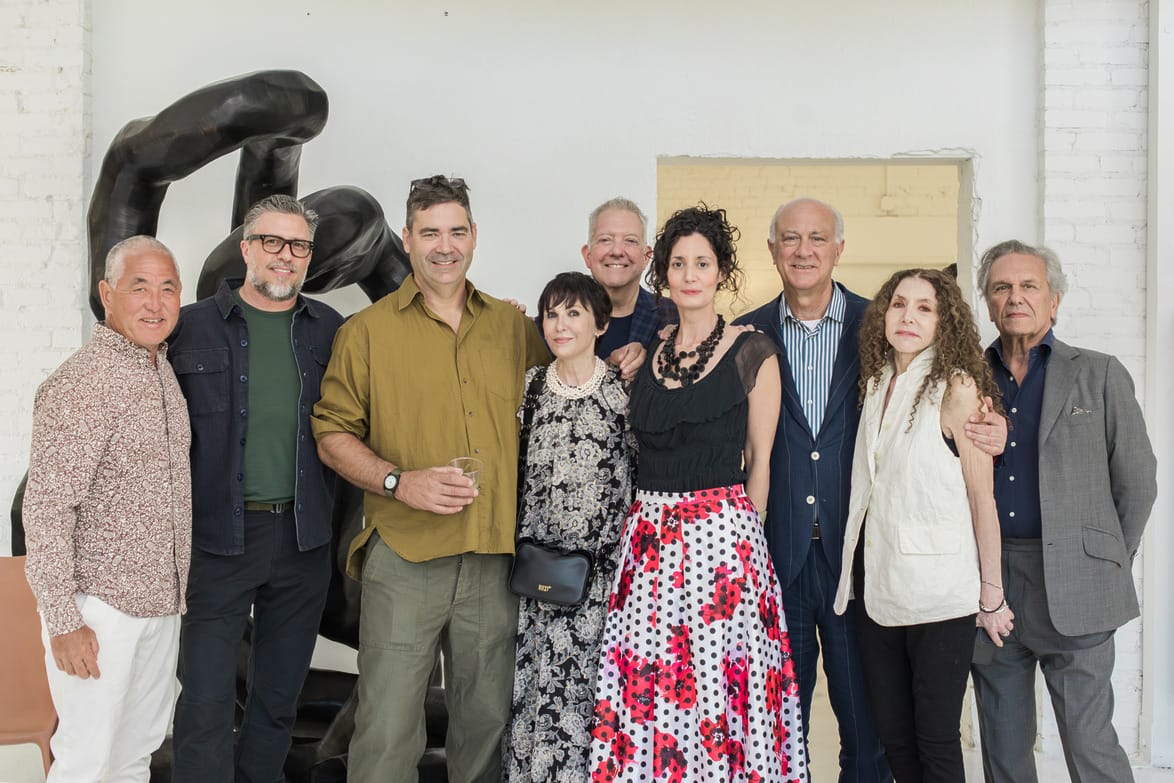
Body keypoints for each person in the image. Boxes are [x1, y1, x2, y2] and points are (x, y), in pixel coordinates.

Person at [734, 198, 1006, 781]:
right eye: (790, 238)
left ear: (839, 249)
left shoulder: (878, 325)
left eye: (817, 238)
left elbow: (953, 390)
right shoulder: (745, 335)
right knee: (778, 724)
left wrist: (993, 424)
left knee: (871, 729)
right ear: (772, 250)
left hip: (857, 567)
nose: (803, 250)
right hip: (775, 553)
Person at [311, 175, 550, 782]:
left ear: (474, 238)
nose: (445, 246)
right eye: (430, 232)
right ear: (407, 239)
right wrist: (398, 482)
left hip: (495, 560)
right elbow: (332, 432)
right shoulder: (364, 334)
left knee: (488, 723)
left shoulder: (514, 328)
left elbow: (568, 397)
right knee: (388, 727)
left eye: (456, 231)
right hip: (405, 556)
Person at [590, 204, 808, 782]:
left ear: (721, 273)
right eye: (679, 263)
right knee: (651, 695)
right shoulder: (648, 353)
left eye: (703, 263)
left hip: (722, 543)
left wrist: (748, 554)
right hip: (648, 545)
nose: (690, 274)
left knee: (716, 696)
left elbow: (760, 460)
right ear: (662, 272)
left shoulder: (752, 351)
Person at [167, 194, 344, 782]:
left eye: (298, 246)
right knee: (206, 701)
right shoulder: (188, 327)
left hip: (302, 538)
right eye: (271, 242)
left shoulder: (331, 330)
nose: (284, 256)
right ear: (246, 248)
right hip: (218, 537)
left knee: (276, 702)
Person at [969, 240, 1157, 783]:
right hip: (992, 581)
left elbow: (1137, 480)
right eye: (1002, 287)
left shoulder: (1098, 374)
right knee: (1003, 748)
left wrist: (1104, 559)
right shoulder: (967, 379)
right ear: (988, 302)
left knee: (1089, 743)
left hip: (1078, 582)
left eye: (1029, 286)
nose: (1015, 297)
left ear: (1054, 301)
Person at [831, 268, 1013, 780]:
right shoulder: (878, 380)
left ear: (944, 321)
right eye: (898, 304)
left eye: (925, 307)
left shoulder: (958, 388)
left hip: (941, 594)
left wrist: (991, 594)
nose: (908, 316)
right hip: (877, 588)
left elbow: (983, 499)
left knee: (934, 739)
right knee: (894, 738)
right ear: (883, 315)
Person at [23, 235, 191, 782]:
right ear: (106, 294)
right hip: (100, 610)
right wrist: (63, 620)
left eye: (168, 289)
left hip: (160, 605)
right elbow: (46, 510)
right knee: (87, 761)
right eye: (138, 287)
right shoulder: (81, 385)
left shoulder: (160, 370)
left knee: (135, 757)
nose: (155, 303)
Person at [505, 271, 637, 782]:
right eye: (552, 314)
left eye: (574, 313)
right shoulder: (531, 387)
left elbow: (636, 481)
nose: (560, 325)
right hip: (536, 578)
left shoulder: (624, 395)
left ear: (601, 323)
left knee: (590, 701)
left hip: (600, 585)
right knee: (534, 695)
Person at [581, 197, 678, 374]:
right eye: (605, 240)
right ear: (588, 255)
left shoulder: (674, 315)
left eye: (630, 241)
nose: (617, 251)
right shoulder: (556, 319)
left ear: (646, 257)